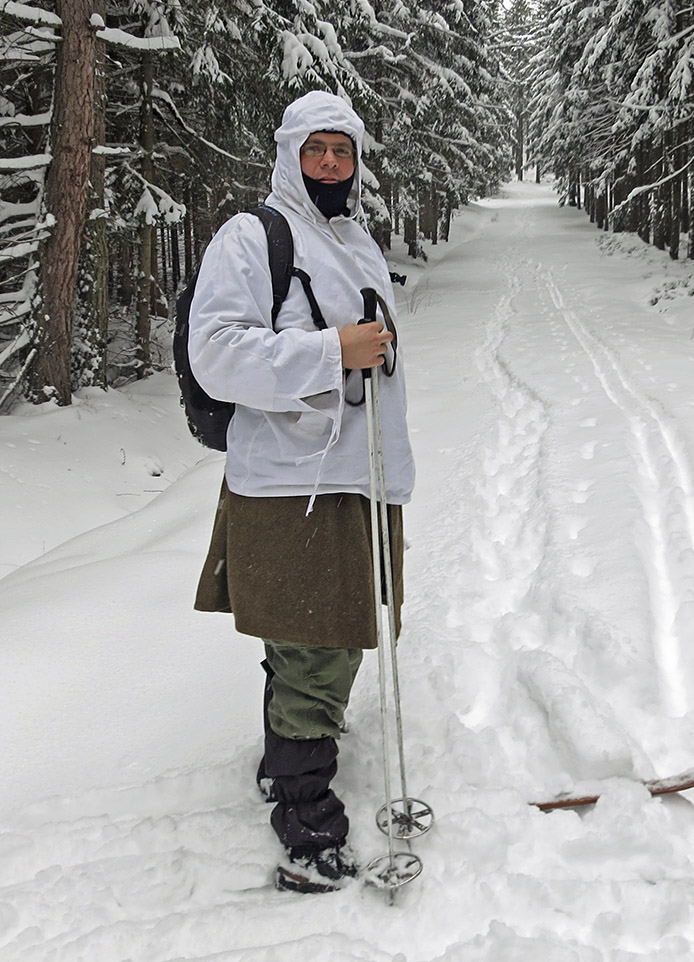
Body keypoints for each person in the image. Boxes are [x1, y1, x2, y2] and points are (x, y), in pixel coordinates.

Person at [188, 90, 414, 894]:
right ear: (290, 154)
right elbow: (217, 353)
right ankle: (305, 819)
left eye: (342, 151)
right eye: (316, 148)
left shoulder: (355, 241)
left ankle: (283, 763)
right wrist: (330, 352)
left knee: (321, 635)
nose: (328, 163)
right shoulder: (252, 237)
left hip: (356, 473)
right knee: (316, 646)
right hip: (293, 482)